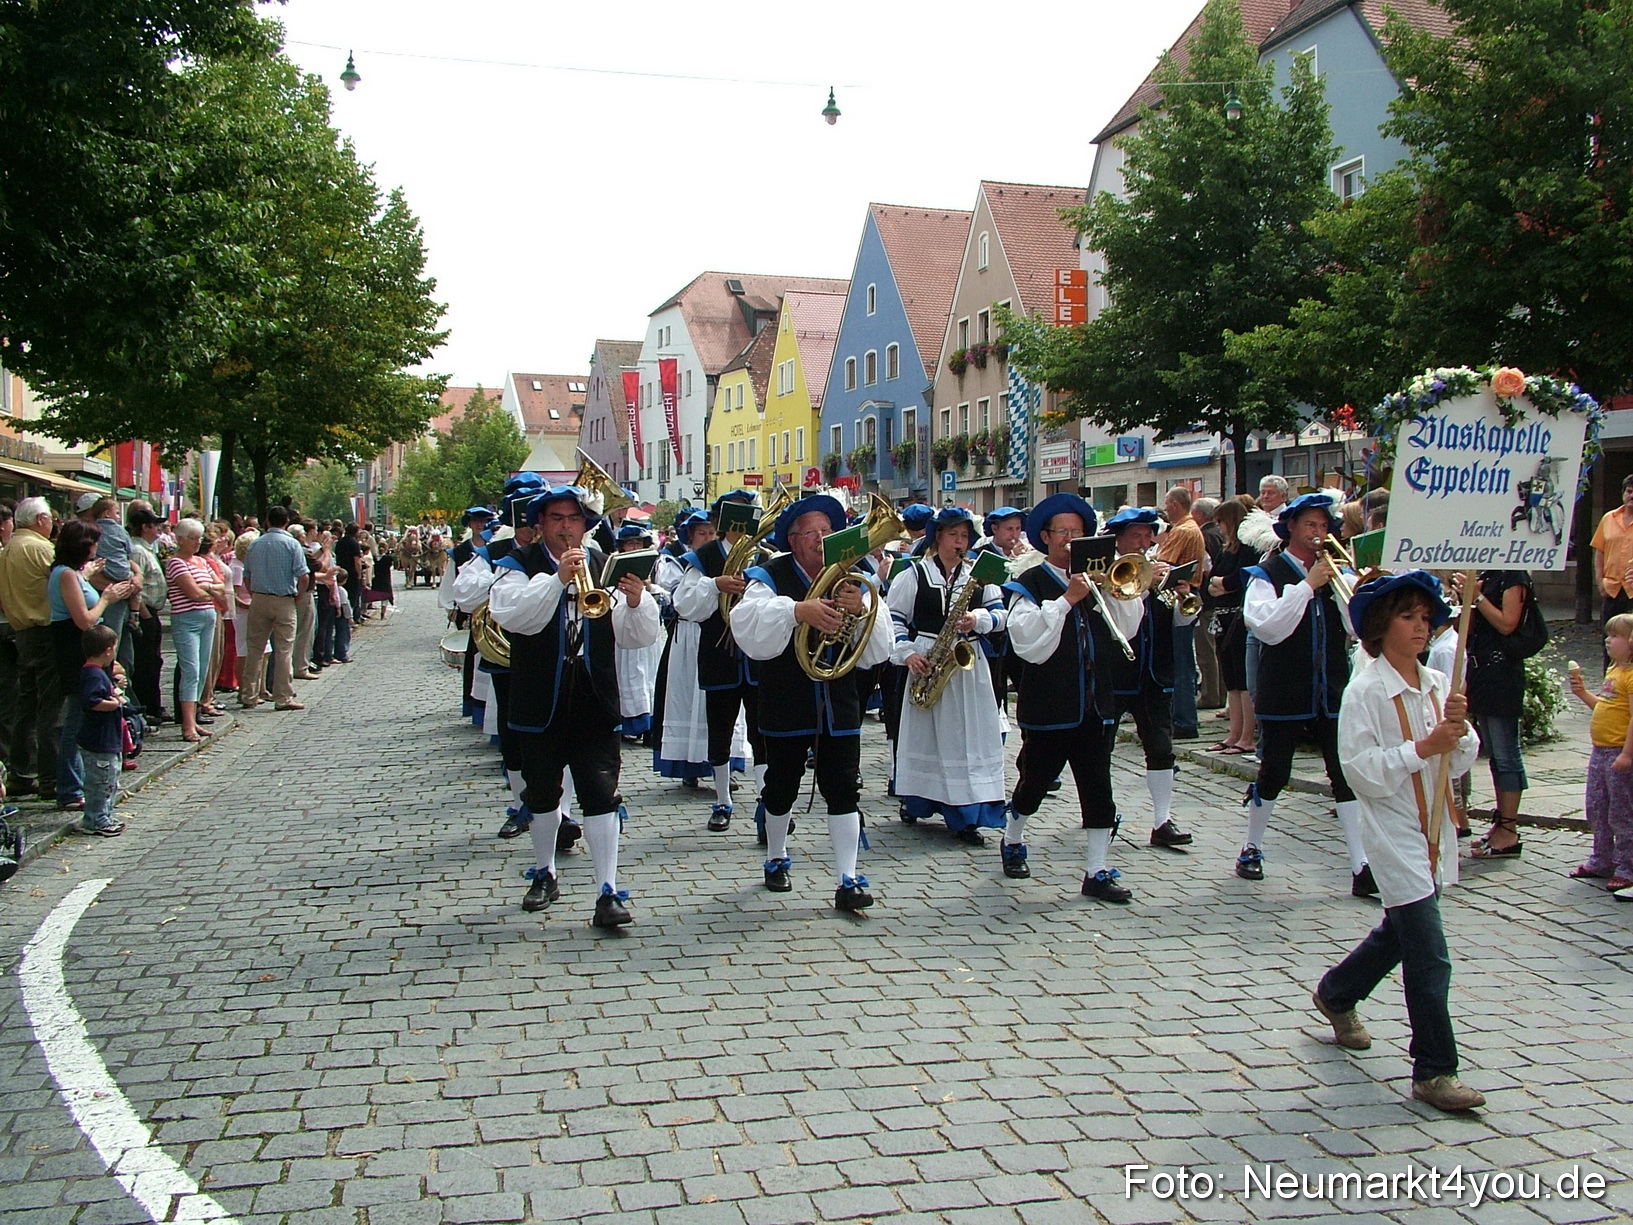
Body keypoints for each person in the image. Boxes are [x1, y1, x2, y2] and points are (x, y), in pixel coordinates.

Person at [1316, 570, 1484, 1113]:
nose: (1421, 627)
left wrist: (1459, 732)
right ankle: (1434, 1069)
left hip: (1434, 828)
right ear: (1381, 626)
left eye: (1426, 617)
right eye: (1408, 617)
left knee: (1401, 933)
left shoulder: (1435, 684)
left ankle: (1337, 992)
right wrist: (1424, 747)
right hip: (1393, 834)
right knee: (1429, 954)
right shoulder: (1365, 691)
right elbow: (1360, 771)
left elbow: (1460, 759)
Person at [488, 486, 660, 926]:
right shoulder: (517, 565)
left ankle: (608, 890)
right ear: (540, 525)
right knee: (543, 791)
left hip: (593, 691)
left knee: (601, 791)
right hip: (539, 692)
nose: (566, 527)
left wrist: (636, 601)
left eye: (574, 519)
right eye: (557, 519)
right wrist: (557, 580)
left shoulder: (605, 565)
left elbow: (638, 637)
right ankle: (545, 872)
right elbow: (514, 617)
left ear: (586, 525)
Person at [733, 494, 895, 910]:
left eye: (827, 531)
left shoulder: (854, 577)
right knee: (781, 786)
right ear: (792, 539)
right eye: (811, 533)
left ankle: (848, 878)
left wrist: (863, 610)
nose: (821, 539)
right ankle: (776, 856)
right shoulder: (769, 576)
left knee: (844, 788)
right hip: (786, 696)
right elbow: (746, 627)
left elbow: (879, 650)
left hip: (839, 700)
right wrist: (796, 611)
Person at [1003, 494, 1146, 900]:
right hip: (1050, 704)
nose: (1069, 539)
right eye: (1063, 532)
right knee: (1034, 784)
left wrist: (1114, 593)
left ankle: (1097, 871)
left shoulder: (1099, 579)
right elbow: (1027, 641)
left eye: (1077, 532)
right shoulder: (1030, 583)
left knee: (1099, 788)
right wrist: (1067, 600)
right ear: (1046, 537)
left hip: (1096, 703)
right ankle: (1013, 837)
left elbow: (1128, 629)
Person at [1239, 493, 1373, 895]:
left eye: (1323, 525)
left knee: (1343, 774)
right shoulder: (1267, 574)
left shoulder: (1335, 573)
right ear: (1292, 528)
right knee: (1275, 772)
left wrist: (1347, 587)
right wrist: (1307, 586)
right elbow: (1268, 628)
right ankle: (1252, 846)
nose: (1318, 532)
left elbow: (1357, 628)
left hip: (1331, 686)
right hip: (1285, 686)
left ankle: (1360, 864)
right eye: (1310, 525)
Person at [887, 506, 1008, 844]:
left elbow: (1002, 615)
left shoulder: (980, 574)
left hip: (968, 663)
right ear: (937, 536)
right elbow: (893, 618)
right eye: (953, 535)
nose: (959, 542)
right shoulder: (913, 574)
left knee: (970, 738)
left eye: (965, 536)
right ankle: (919, 801)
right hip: (928, 659)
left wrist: (978, 619)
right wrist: (908, 653)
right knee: (927, 736)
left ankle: (967, 815)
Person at [451, 474, 546, 838]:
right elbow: (463, 593)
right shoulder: (495, 551)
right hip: (508, 655)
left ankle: (557, 809)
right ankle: (522, 804)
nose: (532, 531)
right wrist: (502, 579)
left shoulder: (563, 551)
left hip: (555, 653)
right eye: (525, 523)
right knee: (513, 731)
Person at [1100, 507, 1194, 851]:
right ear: (1119, 539)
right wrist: (1143, 584)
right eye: (1135, 536)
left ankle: (1162, 820)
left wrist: (1183, 599)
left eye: (1147, 536)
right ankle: (1100, 811)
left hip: (1155, 675)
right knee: (1101, 748)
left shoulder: (1157, 569)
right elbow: (1116, 615)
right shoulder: (1107, 573)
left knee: (1161, 747)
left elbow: (1179, 623)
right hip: (1115, 674)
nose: (1143, 543)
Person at [675, 491, 766, 832]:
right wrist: (715, 585)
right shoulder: (704, 556)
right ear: (720, 521)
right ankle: (723, 800)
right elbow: (685, 605)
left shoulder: (764, 555)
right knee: (720, 729)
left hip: (757, 657)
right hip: (718, 653)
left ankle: (766, 798)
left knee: (762, 730)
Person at [654, 510, 748, 793]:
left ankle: (723, 767)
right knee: (688, 701)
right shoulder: (688, 561)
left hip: (723, 640)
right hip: (689, 636)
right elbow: (680, 600)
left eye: (710, 533)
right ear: (691, 537)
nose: (707, 538)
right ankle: (689, 766)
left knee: (723, 710)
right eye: (701, 534)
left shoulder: (744, 555)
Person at [52, 519, 140, 804]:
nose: (97, 548)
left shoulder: (74, 574)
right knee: (77, 717)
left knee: (86, 713)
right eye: (93, 543)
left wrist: (87, 575)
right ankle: (70, 788)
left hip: (88, 649)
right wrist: (107, 598)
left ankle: (82, 782)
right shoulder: (65, 575)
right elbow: (84, 619)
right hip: (75, 649)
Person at [1461, 568, 1535, 857]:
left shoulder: (1514, 575)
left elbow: (1507, 624)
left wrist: (1477, 596)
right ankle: (1500, 822)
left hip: (1502, 672)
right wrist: (1466, 598)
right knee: (1495, 755)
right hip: (1482, 672)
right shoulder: (1489, 573)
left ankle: (1509, 829)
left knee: (1506, 754)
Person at [1568, 614, 1633, 893]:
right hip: (1600, 750)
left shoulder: (1630, 676)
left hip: (1618, 750)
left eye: (1615, 636)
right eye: (1608, 635)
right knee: (1597, 806)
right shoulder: (1613, 671)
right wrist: (1583, 693)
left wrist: (1627, 754)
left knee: (1621, 811)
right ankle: (1601, 858)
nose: (1608, 640)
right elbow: (1605, 707)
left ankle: (1627, 865)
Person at [0, 498, 60, 798]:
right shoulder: (40, 548)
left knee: (26, 705)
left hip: (21, 630)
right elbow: (66, 582)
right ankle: (51, 778)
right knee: (51, 706)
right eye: (49, 517)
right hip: (44, 630)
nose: (52, 523)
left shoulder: (8, 549)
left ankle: (21, 773)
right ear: (39, 519)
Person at [238, 506, 309, 713]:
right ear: (287, 522)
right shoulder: (292, 544)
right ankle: (283, 696)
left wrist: (254, 594)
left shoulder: (255, 544)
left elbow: (247, 576)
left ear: (268, 521)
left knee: (255, 648)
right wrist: (298, 595)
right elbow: (303, 575)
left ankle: (248, 694)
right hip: (284, 599)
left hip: (259, 598)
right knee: (284, 650)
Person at [1205, 500, 1261, 755]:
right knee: (1231, 679)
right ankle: (1234, 733)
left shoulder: (1247, 548)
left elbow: (1239, 579)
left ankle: (1247, 735)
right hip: (1222, 617)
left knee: (1243, 678)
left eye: (1221, 521)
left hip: (1238, 618)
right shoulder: (1226, 549)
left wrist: (1222, 584)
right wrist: (1220, 583)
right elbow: (1211, 582)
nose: (1219, 527)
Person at [164, 519, 227, 741]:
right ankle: (187, 724)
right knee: (190, 670)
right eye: (193, 538)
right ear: (180, 539)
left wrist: (207, 587)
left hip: (207, 617)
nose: (198, 542)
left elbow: (221, 586)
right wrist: (210, 591)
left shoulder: (201, 561)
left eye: (199, 538)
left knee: (202, 669)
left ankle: (195, 715)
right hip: (187, 619)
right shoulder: (176, 563)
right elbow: (192, 593)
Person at [1157, 486, 1206, 739]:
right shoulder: (1191, 527)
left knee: (1179, 663)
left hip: (1180, 596)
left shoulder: (1182, 530)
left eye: (1167, 504)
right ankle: (1184, 719)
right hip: (1187, 594)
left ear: (1175, 504)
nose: (1165, 509)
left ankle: (1183, 721)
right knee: (1184, 662)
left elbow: (1162, 563)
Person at [73, 624, 127, 837]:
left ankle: (105, 815)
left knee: (110, 780)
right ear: (108, 650)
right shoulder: (93, 674)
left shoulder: (98, 673)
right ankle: (95, 819)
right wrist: (112, 704)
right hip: (98, 740)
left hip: (107, 739)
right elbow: (91, 701)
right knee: (100, 782)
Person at [974, 506, 1028, 711]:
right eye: (1009, 529)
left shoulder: (1027, 555)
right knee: (994, 693)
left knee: (1026, 689)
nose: (1014, 535)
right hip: (992, 636)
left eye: (1018, 529)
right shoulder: (980, 555)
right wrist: (1012, 562)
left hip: (1018, 633)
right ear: (995, 529)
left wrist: (1025, 562)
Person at [126, 507, 168, 724]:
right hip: (145, 612)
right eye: (155, 526)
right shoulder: (137, 551)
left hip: (152, 611)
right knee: (146, 662)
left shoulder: (146, 549)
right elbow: (135, 585)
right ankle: (147, 706)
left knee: (154, 661)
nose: (158, 530)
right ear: (145, 527)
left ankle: (153, 704)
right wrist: (144, 614)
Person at [1590, 474, 1633, 650]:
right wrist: (1600, 582)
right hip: (1612, 590)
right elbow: (1599, 551)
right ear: (1623, 493)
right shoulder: (1609, 518)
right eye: (1629, 491)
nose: (1632, 496)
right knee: (1610, 642)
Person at [1192, 496, 1225, 710]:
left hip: (1206, 599)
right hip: (1217, 599)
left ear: (1200, 515)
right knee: (1216, 649)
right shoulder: (1219, 534)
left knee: (1206, 650)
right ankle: (1220, 693)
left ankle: (1210, 695)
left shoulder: (1204, 536)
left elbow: (1205, 569)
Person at [335, 522, 365, 624]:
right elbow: (357, 561)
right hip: (352, 573)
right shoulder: (354, 543)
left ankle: (343, 617)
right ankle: (354, 617)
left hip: (341, 572)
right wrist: (359, 574)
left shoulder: (340, 542)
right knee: (354, 596)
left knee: (342, 595)